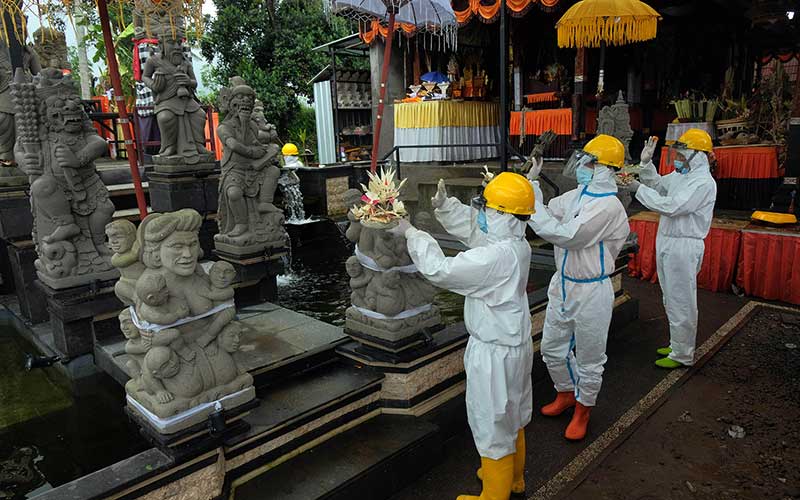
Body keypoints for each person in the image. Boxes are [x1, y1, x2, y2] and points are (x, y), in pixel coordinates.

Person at [389, 172, 535, 500]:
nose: (481, 214)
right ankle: (513, 480)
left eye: (488, 209)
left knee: (491, 423)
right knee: (512, 415)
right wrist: (446, 207)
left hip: (494, 353)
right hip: (515, 345)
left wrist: (411, 232)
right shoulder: (516, 244)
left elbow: (441, 269)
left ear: (505, 216)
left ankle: (494, 495)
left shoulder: (495, 258)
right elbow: (479, 234)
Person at [526, 134, 630, 441]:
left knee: (590, 358)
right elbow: (549, 209)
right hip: (564, 284)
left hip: (591, 291)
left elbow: (567, 235)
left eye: (589, 160)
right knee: (552, 349)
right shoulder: (579, 194)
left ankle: (583, 410)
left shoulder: (608, 207)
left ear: (604, 168)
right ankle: (566, 393)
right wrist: (529, 185)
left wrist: (533, 206)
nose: (582, 164)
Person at [622, 129, 717, 368]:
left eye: (682, 155)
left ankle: (683, 354)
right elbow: (660, 185)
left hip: (684, 244)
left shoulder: (703, 182)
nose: (678, 159)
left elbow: (672, 206)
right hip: (668, 240)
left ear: (698, 155)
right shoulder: (682, 175)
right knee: (670, 296)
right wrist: (645, 165)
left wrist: (637, 189)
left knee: (681, 299)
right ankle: (677, 344)